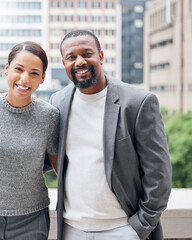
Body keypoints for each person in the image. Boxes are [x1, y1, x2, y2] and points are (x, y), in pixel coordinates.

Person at [50, 30, 172, 240]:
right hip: (71, 229)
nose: (79, 61)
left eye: (86, 54)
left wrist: (140, 228)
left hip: (122, 229)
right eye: (71, 57)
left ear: (101, 56)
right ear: (64, 63)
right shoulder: (57, 102)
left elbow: (158, 173)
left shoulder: (137, 102)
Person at [0, 41, 59, 240]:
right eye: (18, 69)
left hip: (33, 220)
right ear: (7, 69)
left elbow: (59, 169)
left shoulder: (50, 116)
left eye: (34, 73)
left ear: (43, 78)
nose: (24, 79)